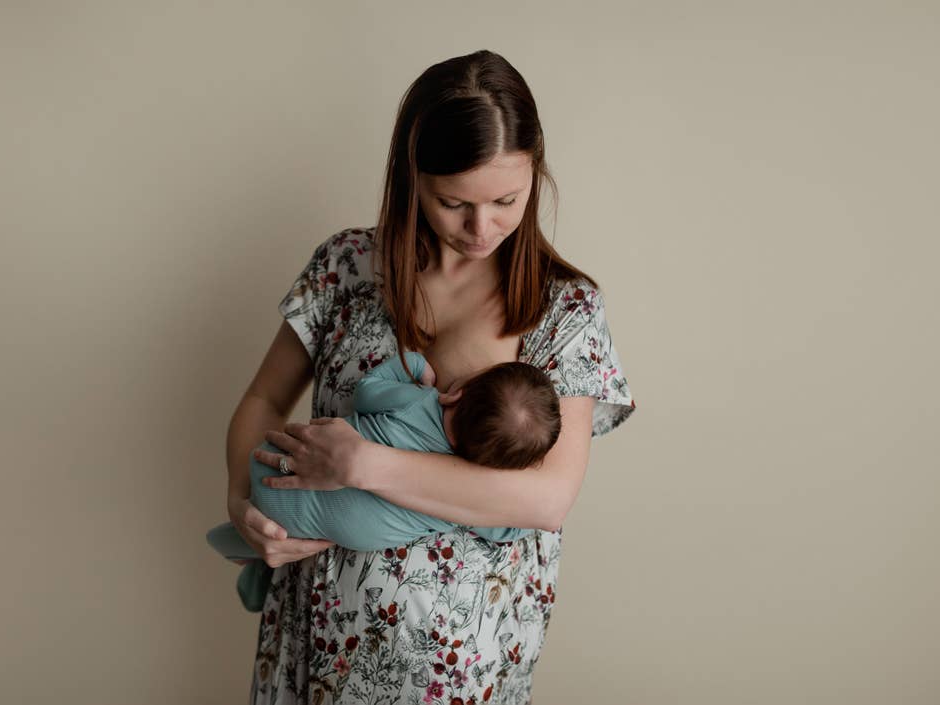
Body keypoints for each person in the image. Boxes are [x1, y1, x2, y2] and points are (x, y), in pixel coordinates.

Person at [226, 49, 635, 705]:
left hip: (462, 669)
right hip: (315, 640)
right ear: (411, 177)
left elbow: (546, 498)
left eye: (506, 200)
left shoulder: (565, 310)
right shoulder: (348, 266)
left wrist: (366, 464)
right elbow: (263, 398)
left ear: (535, 175)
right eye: (453, 202)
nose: (481, 227)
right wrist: (240, 502)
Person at [208, 350, 563, 612]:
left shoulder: (419, 403)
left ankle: (248, 554)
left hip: (271, 474)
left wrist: (414, 364)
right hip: (327, 531)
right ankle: (254, 564)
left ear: (457, 393)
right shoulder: (460, 501)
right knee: (301, 531)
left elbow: (366, 392)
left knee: (279, 513)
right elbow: (508, 526)